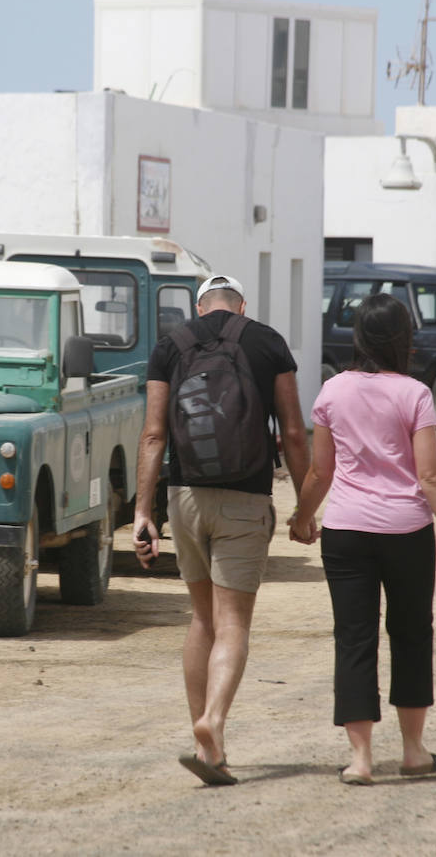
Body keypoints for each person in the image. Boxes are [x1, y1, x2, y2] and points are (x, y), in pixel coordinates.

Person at [132, 273, 313, 787]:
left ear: (198, 305)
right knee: (233, 623)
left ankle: (204, 748)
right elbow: (294, 433)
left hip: (184, 497)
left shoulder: (170, 346)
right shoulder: (265, 340)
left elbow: (152, 434)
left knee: (202, 620)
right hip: (245, 498)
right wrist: (304, 506)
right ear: (242, 306)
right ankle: (212, 722)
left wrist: (144, 512)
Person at [289, 293, 436, 786]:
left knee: (354, 639)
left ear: (358, 337)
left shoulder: (331, 392)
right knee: (411, 635)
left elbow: (320, 472)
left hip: (345, 532)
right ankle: (413, 752)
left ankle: (361, 760)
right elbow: (429, 475)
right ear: (403, 339)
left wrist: (302, 518)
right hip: (407, 531)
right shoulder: (414, 394)